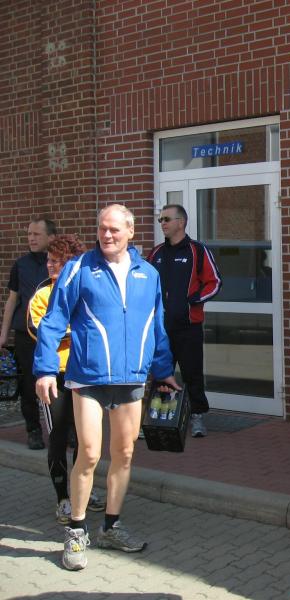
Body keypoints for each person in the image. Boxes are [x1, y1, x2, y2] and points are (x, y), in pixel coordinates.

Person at [33, 204, 178, 571]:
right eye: (102, 228)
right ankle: (76, 530)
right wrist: (46, 370)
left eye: (114, 229)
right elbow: (53, 320)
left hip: (131, 378)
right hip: (89, 377)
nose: (107, 234)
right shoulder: (79, 268)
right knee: (90, 453)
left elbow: (157, 324)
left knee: (125, 453)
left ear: (131, 231)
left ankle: (111, 527)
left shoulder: (148, 273)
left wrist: (163, 370)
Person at [27, 234, 106, 524]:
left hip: (84, 374)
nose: (50, 265)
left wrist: (70, 331)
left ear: (71, 263)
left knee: (86, 439)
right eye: (49, 260)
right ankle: (63, 498)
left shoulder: (87, 289)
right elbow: (39, 330)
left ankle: (83, 490)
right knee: (58, 438)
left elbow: (97, 325)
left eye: (57, 261)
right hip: (56, 377)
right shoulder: (42, 295)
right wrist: (74, 331)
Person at [148, 203, 221, 438]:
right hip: (161, 328)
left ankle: (197, 416)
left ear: (181, 222)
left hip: (189, 327)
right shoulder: (156, 253)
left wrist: (193, 300)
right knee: (161, 373)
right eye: (160, 220)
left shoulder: (197, 251)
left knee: (192, 373)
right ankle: (157, 418)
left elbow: (215, 282)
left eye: (166, 219)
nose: (162, 223)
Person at [0, 218, 56, 449]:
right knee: (29, 384)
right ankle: (33, 430)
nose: (31, 238)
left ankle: (65, 429)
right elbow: (12, 300)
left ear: (51, 237)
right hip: (26, 335)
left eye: (37, 234)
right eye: (29, 234)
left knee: (60, 383)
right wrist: (3, 334)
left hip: (56, 336)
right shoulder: (20, 265)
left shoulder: (59, 263)